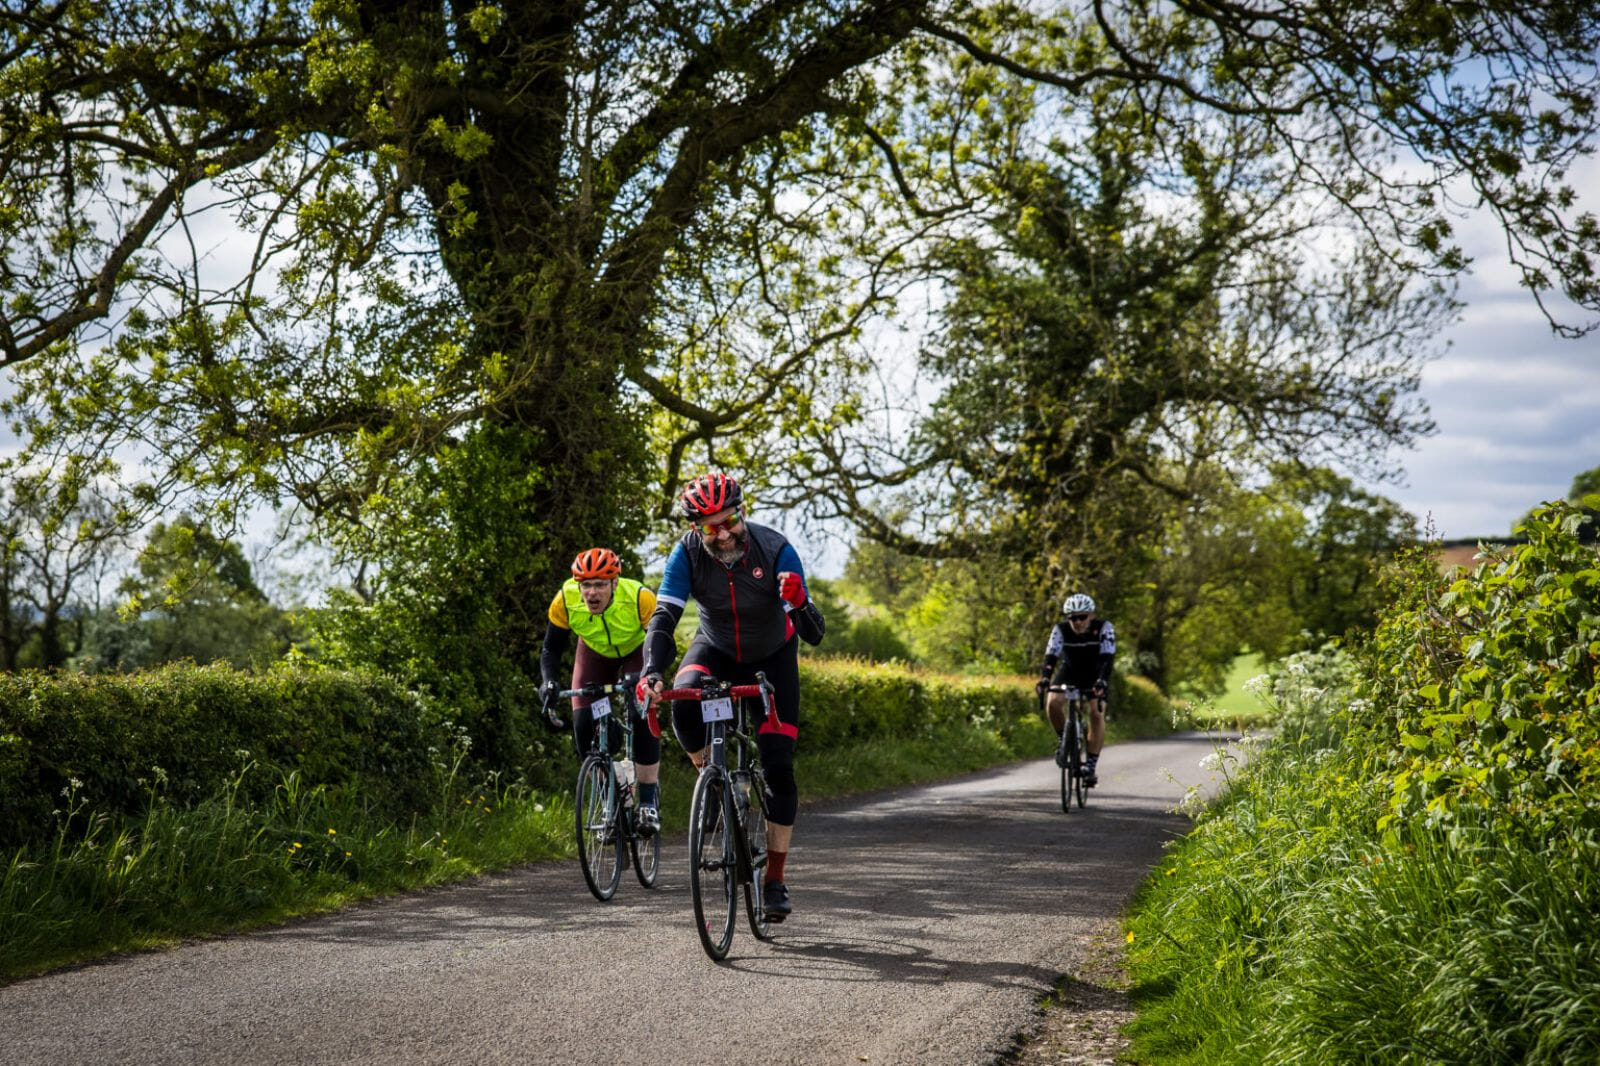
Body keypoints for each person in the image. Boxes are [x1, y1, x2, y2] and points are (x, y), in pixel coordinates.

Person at [637, 473, 825, 922]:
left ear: (743, 512)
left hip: (772, 656)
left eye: (730, 521)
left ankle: (775, 879)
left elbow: (815, 633)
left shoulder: (775, 549)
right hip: (716, 648)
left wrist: (799, 603)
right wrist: (650, 672)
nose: (722, 534)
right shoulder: (686, 553)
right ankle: (716, 784)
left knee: (779, 766)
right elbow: (664, 619)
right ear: (695, 527)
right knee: (684, 701)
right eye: (709, 526)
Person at [540, 548, 664, 835]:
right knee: (583, 723)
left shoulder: (639, 597)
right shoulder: (565, 599)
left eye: (599, 585)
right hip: (594, 654)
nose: (592, 593)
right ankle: (611, 800)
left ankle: (647, 801)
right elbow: (551, 649)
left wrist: (648, 675)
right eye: (586, 585)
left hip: (637, 651)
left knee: (640, 712)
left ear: (615, 583)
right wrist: (548, 681)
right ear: (578, 585)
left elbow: (659, 641)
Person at [1036, 592, 1115, 786]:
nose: (1077, 622)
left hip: (1095, 674)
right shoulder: (1061, 630)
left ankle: (1090, 765)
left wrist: (1102, 681)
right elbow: (1051, 656)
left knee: (1096, 714)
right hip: (1070, 671)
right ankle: (1065, 740)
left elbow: (1107, 659)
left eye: (1082, 617)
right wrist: (1045, 679)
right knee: (1053, 703)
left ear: (1091, 616)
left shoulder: (1104, 628)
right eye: (1072, 618)